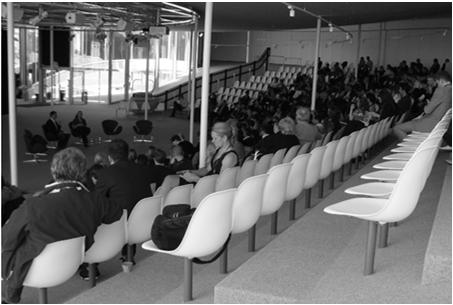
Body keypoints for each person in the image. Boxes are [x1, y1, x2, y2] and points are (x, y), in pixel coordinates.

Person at [2, 147, 123, 303]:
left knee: (16, 241)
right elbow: (117, 213)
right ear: (82, 172)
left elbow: (6, 238)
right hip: (73, 262)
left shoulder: (33, 206)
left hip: (34, 270)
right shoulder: (95, 200)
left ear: (53, 171)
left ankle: (9, 295)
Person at [94, 139, 162, 264]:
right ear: (127, 154)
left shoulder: (107, 173)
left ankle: (92, 263)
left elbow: (96, 200)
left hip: (119, 224)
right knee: (129, 200)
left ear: (109, 157)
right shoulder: (143, 169)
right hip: (144, 220)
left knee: (93, 210)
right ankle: (128, 255)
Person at [393, 71, 452, 140]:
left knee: (397, 128)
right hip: (439, 123)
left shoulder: (441, 90)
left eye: (437, 83)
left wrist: (428, 104)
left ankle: (413, 148)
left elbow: (427, 110)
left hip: (429, 124)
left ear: (441, 81)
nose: (437, 85)